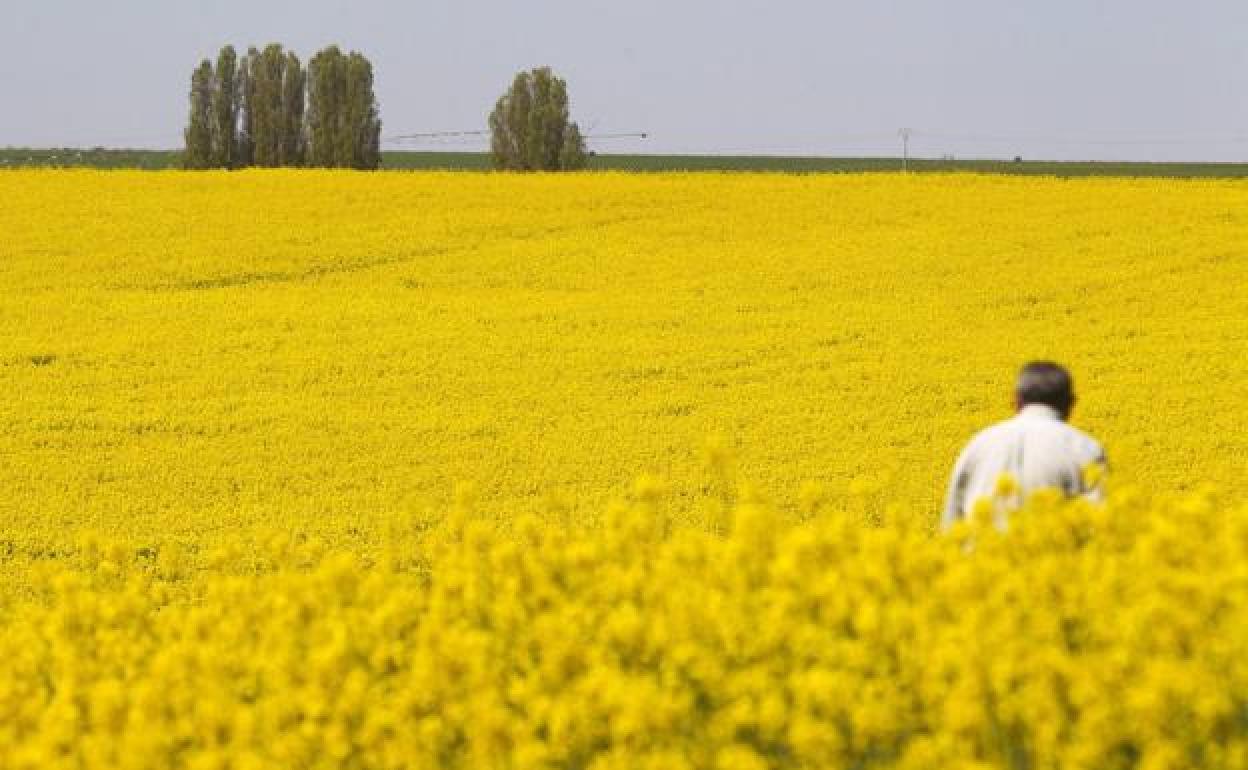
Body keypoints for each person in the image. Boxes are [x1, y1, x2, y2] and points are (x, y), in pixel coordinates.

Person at [941, 362, 1107, 530]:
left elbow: (952, 525)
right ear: (1070, 403)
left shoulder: (978, 445)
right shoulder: (1084, 449)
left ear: (1016, 400)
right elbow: (1101, 525)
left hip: (982, 553)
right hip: (1052, 553)